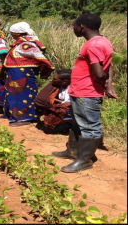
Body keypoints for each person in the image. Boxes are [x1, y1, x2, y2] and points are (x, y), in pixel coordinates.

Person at [54, 13, 118, 173]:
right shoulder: (101, 41)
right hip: (81, 91)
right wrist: (109, 83)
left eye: (74, 25)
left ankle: (84, 161)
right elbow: (108, 65)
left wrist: (106, 84)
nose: (74, 28)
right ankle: (73, 151)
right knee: (79, 124)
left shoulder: (93, 45)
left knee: (89, 126)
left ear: (81, 27)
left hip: (87, 92)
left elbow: (98, 72)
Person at [0, 22, 54, 124]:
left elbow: (40, 57)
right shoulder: (21, 43)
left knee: (21, 95)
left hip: (21, 74)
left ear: (18, 34)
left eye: (12, 33)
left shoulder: (26, 44)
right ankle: (13, 114)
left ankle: (24, 118)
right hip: (15, 73)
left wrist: (44, 68)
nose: (11, 34)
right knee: (12, 94)